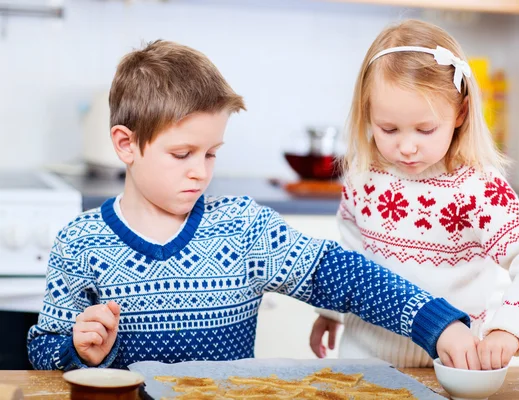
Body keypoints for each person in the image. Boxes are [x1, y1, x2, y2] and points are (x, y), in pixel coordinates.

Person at [27, 39, 477, 371]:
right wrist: (77, 350)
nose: (200, 171)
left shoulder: (244, 229)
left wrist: (437, 323)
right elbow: (45, 353)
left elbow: (344, 276)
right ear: (126, 144)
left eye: (211, 153)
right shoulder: (80, 241)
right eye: (182, 154)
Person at [310, 19, 519, 370]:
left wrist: (509, 329)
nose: (407, 146)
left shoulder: (478, 187)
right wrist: (330, 311)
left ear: (460, 113)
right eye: (388, 128)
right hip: (362, 358)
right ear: (367, 113)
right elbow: (351, 255)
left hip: (450, 364)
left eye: (425, 129)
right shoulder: (363, 175)